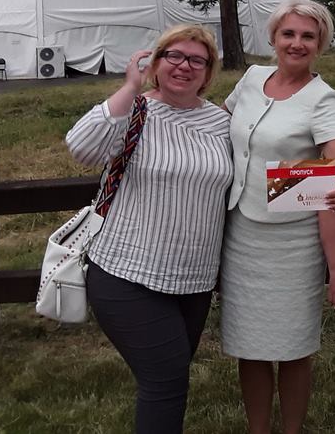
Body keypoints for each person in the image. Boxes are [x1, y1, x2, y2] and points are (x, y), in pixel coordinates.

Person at [66, 24, 233, 433]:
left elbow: (255, 175)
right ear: (155, 63)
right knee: (166, 381)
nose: (184, 66)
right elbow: (81, 148)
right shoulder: (135, 111)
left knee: (168, 377)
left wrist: (323, 182)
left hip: (193, 281)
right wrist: (129, 87)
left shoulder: (221, 123)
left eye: (197, 60)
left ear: (208, 72)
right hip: (127, 273)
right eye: (173, 56)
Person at [220, 0, 335, 434]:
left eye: (308, 36)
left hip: (292, 244)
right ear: (273, 37)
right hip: (241, 235)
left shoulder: (323, 98)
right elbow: (218, 124)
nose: (297, 43)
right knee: (250, 345)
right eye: (289, 34)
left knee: (294, 347)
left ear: (320, 44)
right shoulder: (251, 78)